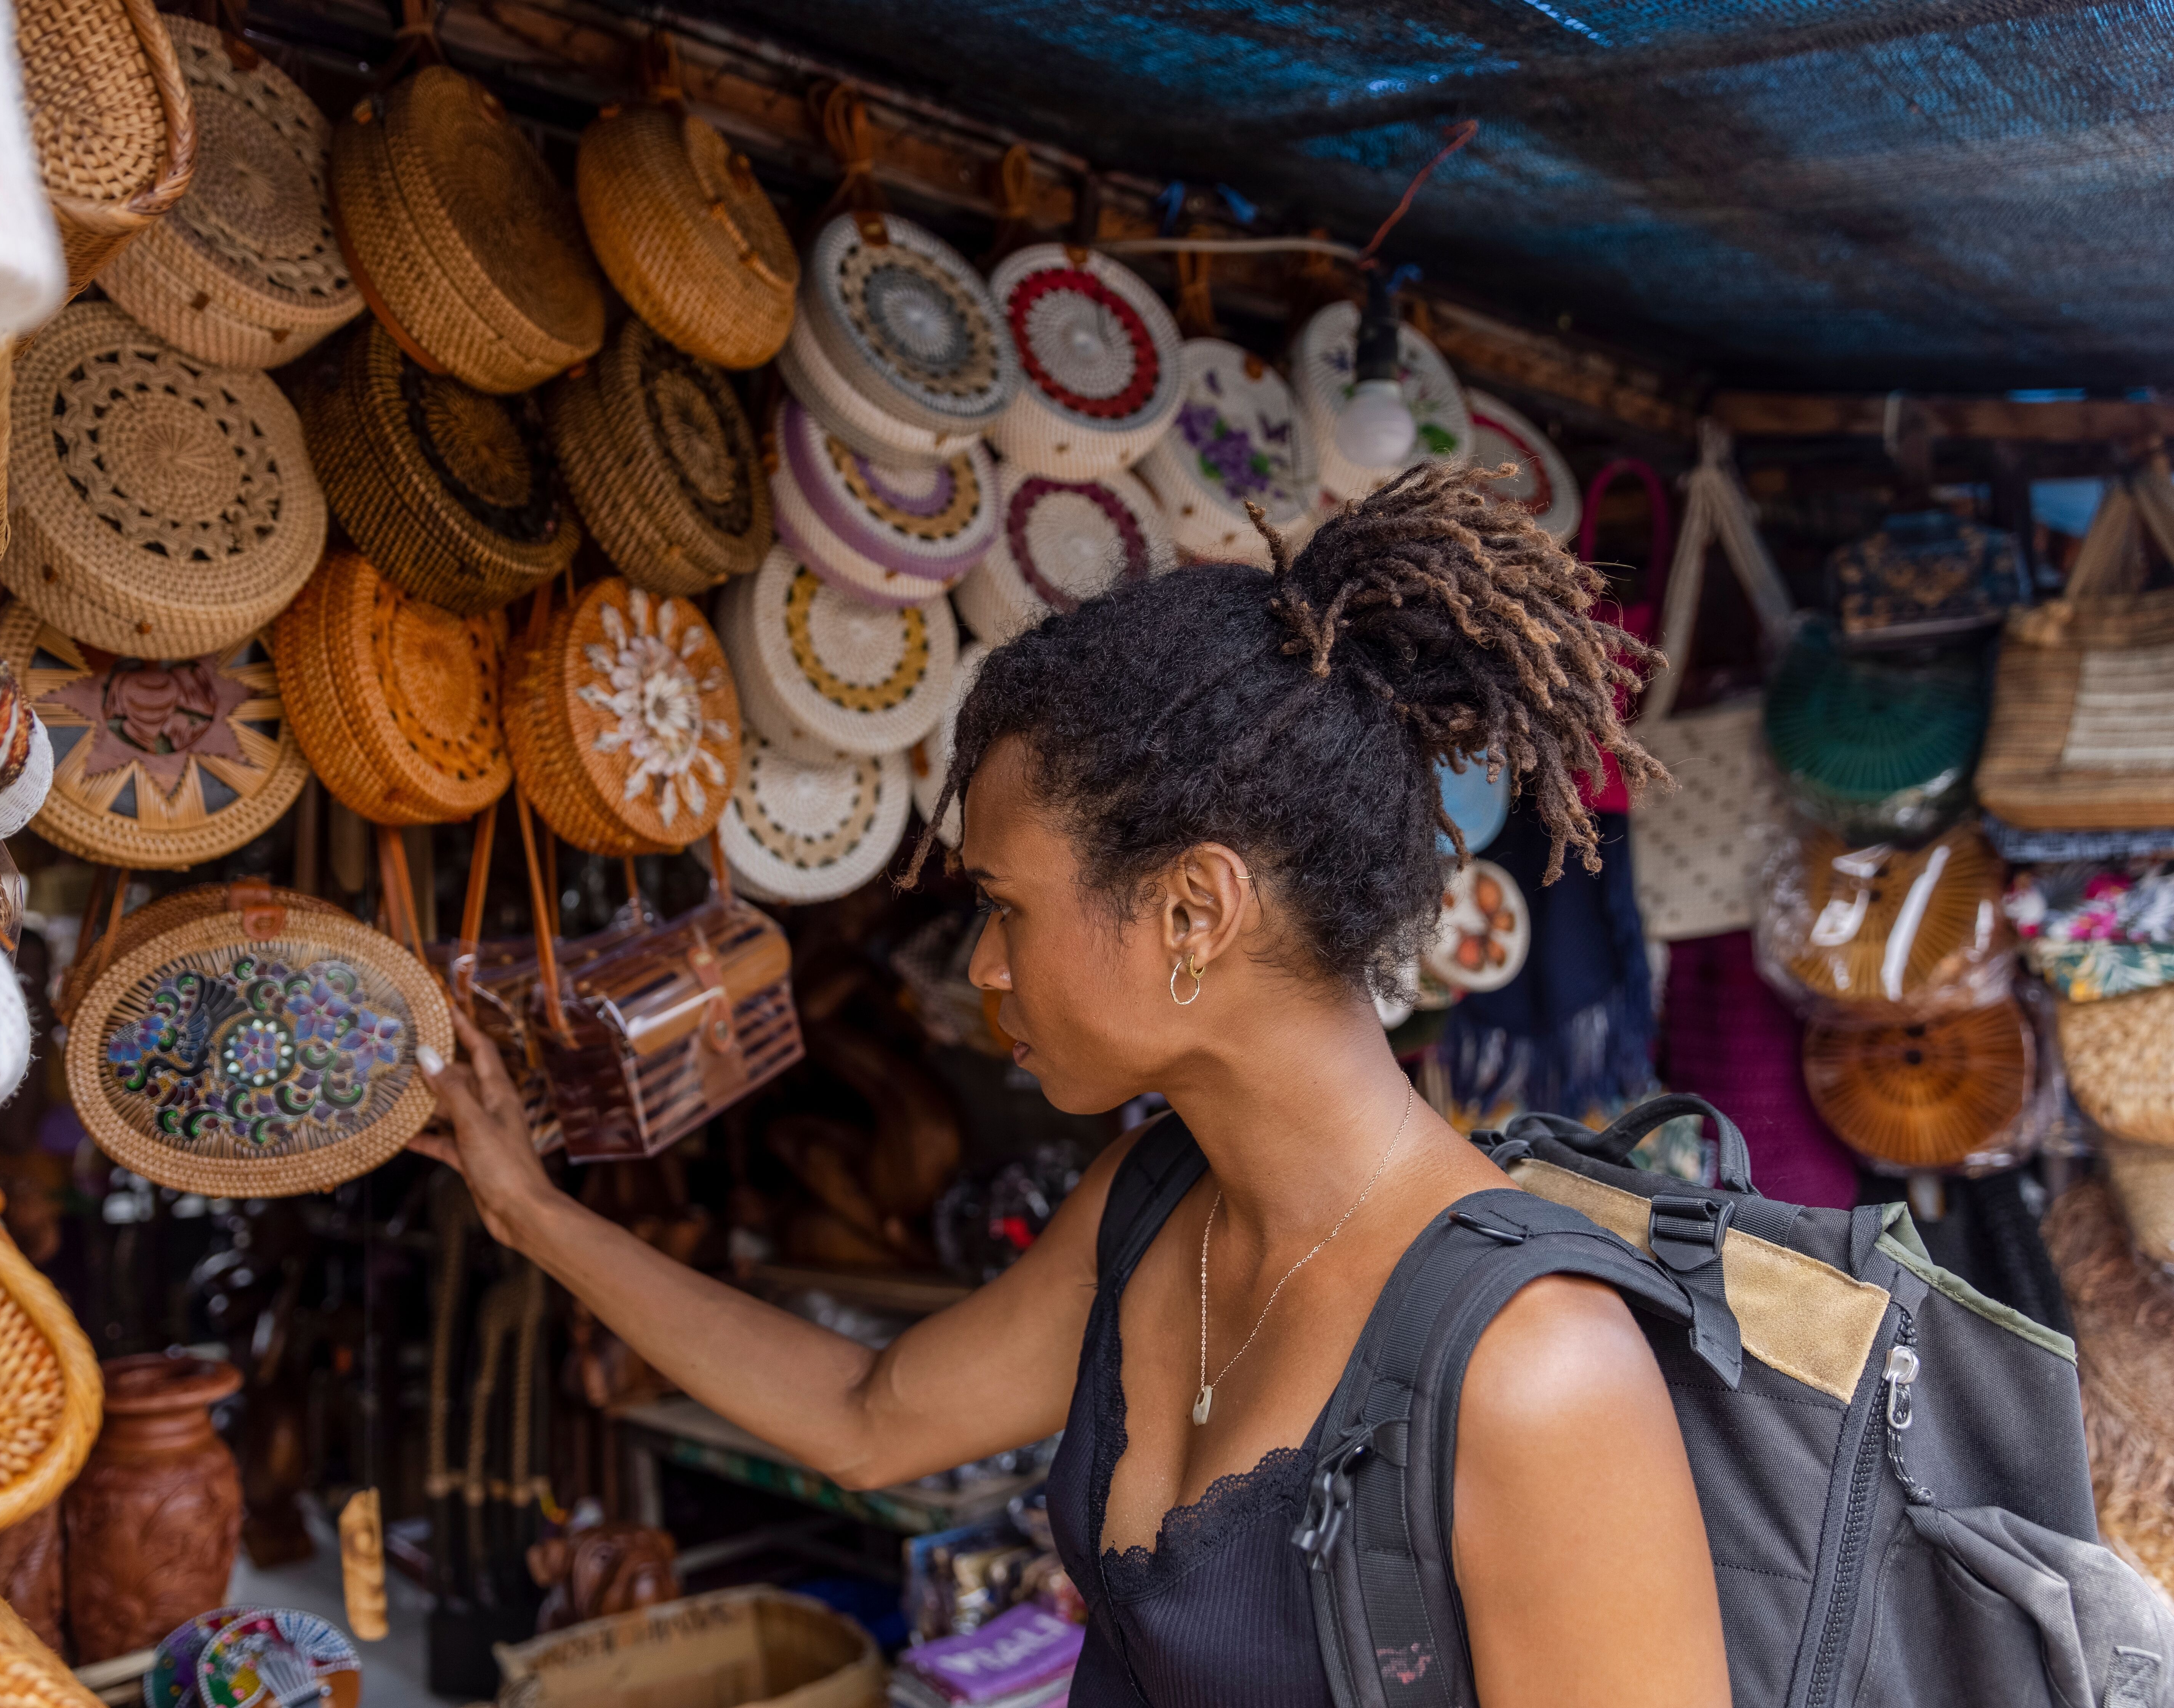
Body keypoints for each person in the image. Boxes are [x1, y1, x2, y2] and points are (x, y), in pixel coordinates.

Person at [411, 463, 1731, 1706]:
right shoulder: (1150, 1205)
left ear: (1190, 910)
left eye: (1003, 906)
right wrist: (532, 1208)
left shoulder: (1535, 1370)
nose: (981, 965)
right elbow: (865, 1417)